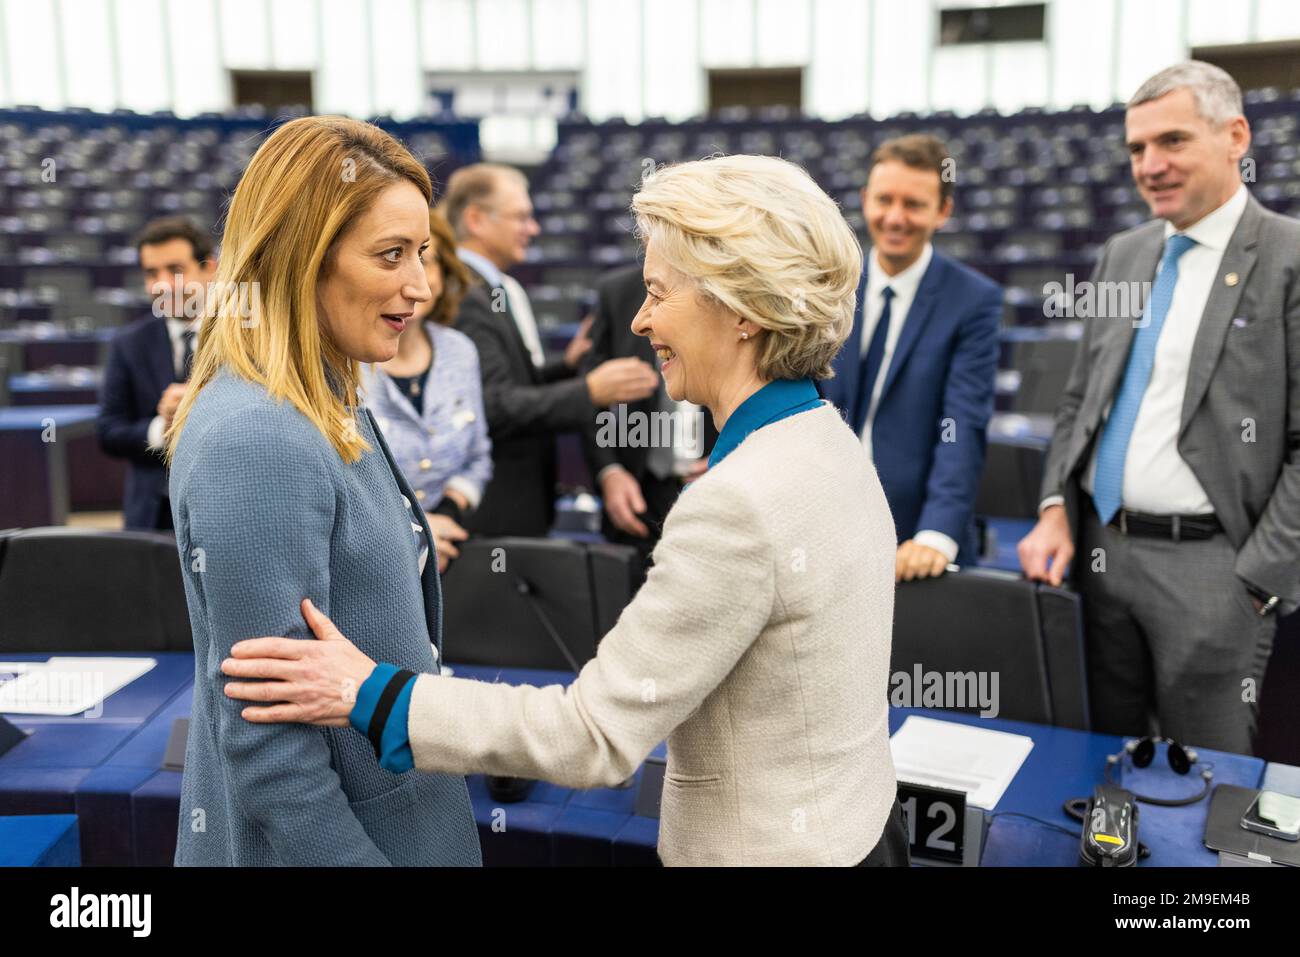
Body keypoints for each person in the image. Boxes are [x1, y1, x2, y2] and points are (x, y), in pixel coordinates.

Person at [222, 154, 908, 867]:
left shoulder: (735, 504)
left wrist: (373, 692)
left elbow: (593, 732)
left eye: (658, 293)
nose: (640, 320)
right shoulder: (830, 439)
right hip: (861, 829)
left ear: (738, 309)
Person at [164, 116, 480, 866]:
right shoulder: (259, 434)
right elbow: (272, 752)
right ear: (302, 260)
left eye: (424, 254)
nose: (420, 285)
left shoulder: (323, 394)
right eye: (390, 255)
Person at [1017, 61, 1300, 755]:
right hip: (1099, 555)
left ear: (1236, 135)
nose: (1150, 165)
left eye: (1171, 141)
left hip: (1213, 574)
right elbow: (1082, 398)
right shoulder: (1125, 252)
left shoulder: (1289, 256)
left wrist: (1255, 581)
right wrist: (1055, 505)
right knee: (1101, 766)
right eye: (1137, 149)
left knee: (1203, 779)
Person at [440, 163, 659, 536]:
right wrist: (588, 391)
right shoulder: (463, 294)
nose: (533, 229)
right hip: (493, 511)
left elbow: (505, 383)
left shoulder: (490, 289)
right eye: (521, 217)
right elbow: (490, 405)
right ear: (476, 220)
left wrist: (564, 366)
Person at [822, 134, 1002, 578]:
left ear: (943, 211)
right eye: (884, 200)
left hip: (913, 537)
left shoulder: (973, 301)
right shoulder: (829, 285)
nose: (896, 218)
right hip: (823, 523)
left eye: (914, 204)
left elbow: (962, 424)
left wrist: (936, 535)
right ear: (865, 200)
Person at [362, 209, 491, 573]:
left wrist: (446, 516)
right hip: (374, 565)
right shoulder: (347, 361)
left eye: (426, 260)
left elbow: (478, 457)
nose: (416, 278)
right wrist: (416, 529)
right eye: (395, 257)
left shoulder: (460, 351)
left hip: (451, 552)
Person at [580, 263, 711, 559]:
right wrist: (609, 472)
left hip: (719, 493)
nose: (641, 322)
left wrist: (736, 458)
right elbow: (589, 395)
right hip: (639, 498)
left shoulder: (740, 286)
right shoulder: (616, 291)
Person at [97, 216, 216, 530]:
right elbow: (109, 432)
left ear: (209, 270)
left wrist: (204, 405)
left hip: (227, 505)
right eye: (152, 274)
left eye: (176, 271)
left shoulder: (248, 338)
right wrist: (162, 430)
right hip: (153, 515)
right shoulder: (128, 343)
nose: (163, 285)